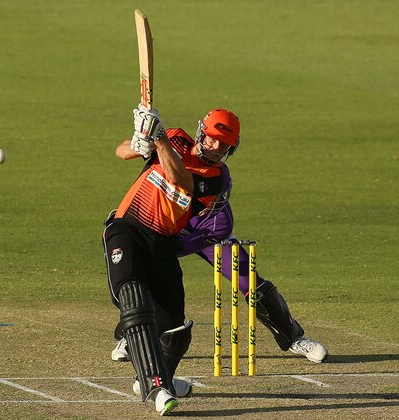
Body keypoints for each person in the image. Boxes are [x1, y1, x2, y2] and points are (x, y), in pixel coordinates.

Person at [103, 106, 240, 415]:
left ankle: (156, 376)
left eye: (225, 145)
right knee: (134, 300)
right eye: (214, 139)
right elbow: (121, 151)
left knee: (176, 334)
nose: (217, 147)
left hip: (162, 244)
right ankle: (157, 386)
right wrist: (140, 143)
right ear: (202, 130)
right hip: (128, 228)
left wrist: (159, 138)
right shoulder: (175, 138)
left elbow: (182, 181)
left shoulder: (216, 178)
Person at [110, 200, 329, 369]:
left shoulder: (218, 212)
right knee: (140, 279)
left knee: (249, 281)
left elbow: (204, 235)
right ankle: (131, 337)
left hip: (201, 233)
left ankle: (294, 338)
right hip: (160, 227)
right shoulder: (177, 157)